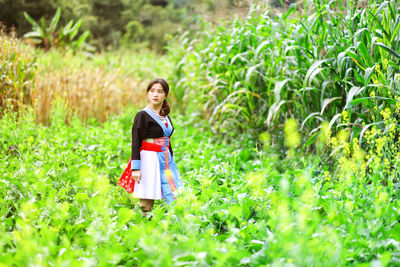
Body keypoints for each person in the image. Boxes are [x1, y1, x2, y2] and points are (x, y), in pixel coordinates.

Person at [118, 78, 183, 215]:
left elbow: (167, 141)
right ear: (147, 93)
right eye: (152, 91)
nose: (155, 95)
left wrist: (171, 161)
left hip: (164, 161)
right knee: (147, 202)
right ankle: (140, 229)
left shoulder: (165, 116)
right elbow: (136, 142)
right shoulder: (142, 115)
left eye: (160, 92)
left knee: (173, 194)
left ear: (165, 95)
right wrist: (136, 168)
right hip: (148, 160)